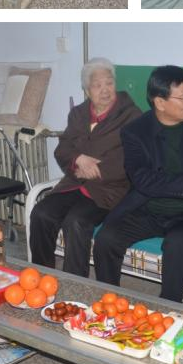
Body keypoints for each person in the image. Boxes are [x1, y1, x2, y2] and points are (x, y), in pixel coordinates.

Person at [92, 66, 183, 301]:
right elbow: (142, 179)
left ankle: (169, 306)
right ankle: (109, 301)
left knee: (178, 244)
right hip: (147, 208)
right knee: (106, 239)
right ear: (160, 102)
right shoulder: (135, 132)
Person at [29, 58, 141, 277]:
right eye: (97, 85)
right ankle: (41, 276)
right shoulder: (78, 114)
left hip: (109, 190)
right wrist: (79, 159)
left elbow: (131, 158)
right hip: (74, 183)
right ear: (87, 90)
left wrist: (96, 171)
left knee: (76, 222)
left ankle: (75, 284)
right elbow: (63, 148)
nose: (105, 90)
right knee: (41, 213)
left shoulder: (132, 115)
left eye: (109, 83)